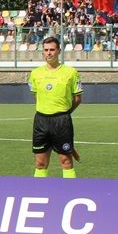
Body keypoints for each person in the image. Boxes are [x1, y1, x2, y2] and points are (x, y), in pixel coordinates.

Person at [28, 37, 82, 178]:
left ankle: (70, 190)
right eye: (46, 50)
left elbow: (77, 99)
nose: (49, 53)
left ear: (59, 51)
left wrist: (64, 113)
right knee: (40, 163)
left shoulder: (71, 72)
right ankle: (39, 190)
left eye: (52, 50)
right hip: (41, 121)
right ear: (43, 52)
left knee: (66, 162)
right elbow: (36, 96)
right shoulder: (35, 73)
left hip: (61, 121)